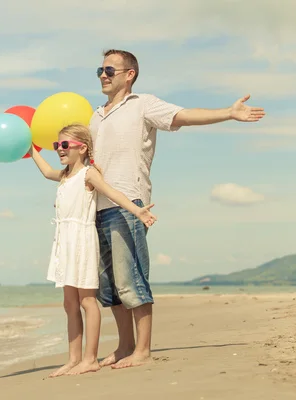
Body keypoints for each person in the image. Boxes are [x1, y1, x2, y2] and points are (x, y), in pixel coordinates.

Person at [89, 49, 266, 370]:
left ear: (129, 74)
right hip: (97, 208)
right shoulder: (95, 114)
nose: (103, 75)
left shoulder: (143, 104)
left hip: (129, 204)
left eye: (110, 70)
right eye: (100, 70)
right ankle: (125, 345)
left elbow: (184, 115)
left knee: (132, 279)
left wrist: (228, 112)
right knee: (110, 286)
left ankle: (142, 350)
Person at [28, 123, 157, 377]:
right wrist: (30, 148)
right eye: (57, 145)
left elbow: (113, 193)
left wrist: (137, 211)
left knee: (88, 301)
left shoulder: (88, 175)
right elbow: (45, 172)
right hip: (63, 242)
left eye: (64, 145)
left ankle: (90, 359)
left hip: (83, 241)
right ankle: (73, 359)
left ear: (83, 148)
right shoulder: (64, 175)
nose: (59, 150)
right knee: (69, 303)